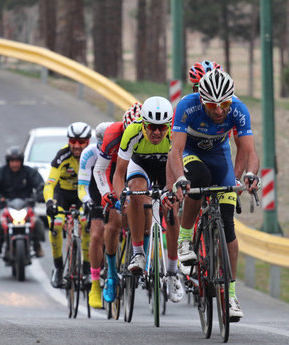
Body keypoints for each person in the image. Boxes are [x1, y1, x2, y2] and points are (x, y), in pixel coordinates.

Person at [167, 69, 261, 319]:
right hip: (190, 153)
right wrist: (180, 178)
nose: (219, 111)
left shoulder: (239, 109)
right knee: (199, 179)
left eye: (225, 104)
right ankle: (186, 238)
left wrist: (248, 175)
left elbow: (249, 151)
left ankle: (230, 295)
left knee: (228, 222)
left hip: (219, 156)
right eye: (212, 105)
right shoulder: (187, 106)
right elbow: (175, 150)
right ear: (201, 99)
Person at [112, 96, 184, 303]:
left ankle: (171, 272)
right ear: (143, 123)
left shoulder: (174, 133)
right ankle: (138, 254)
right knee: (135, 192)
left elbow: (178, 167)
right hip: (140, 164)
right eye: (152, 127)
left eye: (162, 128)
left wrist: (173, 191)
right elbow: (119, 174)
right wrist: (121, 197)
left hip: (166, 167)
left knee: (172, 208)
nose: (156, 132)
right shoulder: (132, 132)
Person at [92, 102, 142, 303]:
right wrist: (107, 194)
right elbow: (100, 170)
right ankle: (111, 274)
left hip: (139, 169)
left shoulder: (154, 135)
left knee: (146, 205)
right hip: (114, 171)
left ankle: (143, 253)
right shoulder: (113, 135)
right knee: (113, 221)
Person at [44, 122, 92, 289]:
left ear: (88, 141)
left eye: (81, 142)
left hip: (83, 194)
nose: (77, 145)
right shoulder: (61, 156)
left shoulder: (93, 155)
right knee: (56, 225)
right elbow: (49, 183)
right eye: (73, 141)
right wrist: (50, 201)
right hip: (62, 194)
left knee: (86, 224)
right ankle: (58, 268)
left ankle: (86, 271)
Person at [0, 145, 45, 259]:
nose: (15, 164)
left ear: (21, 161)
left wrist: (40, 195)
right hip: (5, 207)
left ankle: (37, 246)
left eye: (17, 161)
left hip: (26, 206)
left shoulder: (29, 172)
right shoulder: (0, 172)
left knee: (37, 223)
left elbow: (40, 184)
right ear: (8, 161)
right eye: (12, 161)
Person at [77, 122, 113, 308]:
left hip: (114, 189)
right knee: (97, 235)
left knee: (117, 230)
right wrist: (88, 202)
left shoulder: (121, 148)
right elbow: (82, 187)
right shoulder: (90, 153)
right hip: (96, 194)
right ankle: (95, 284)